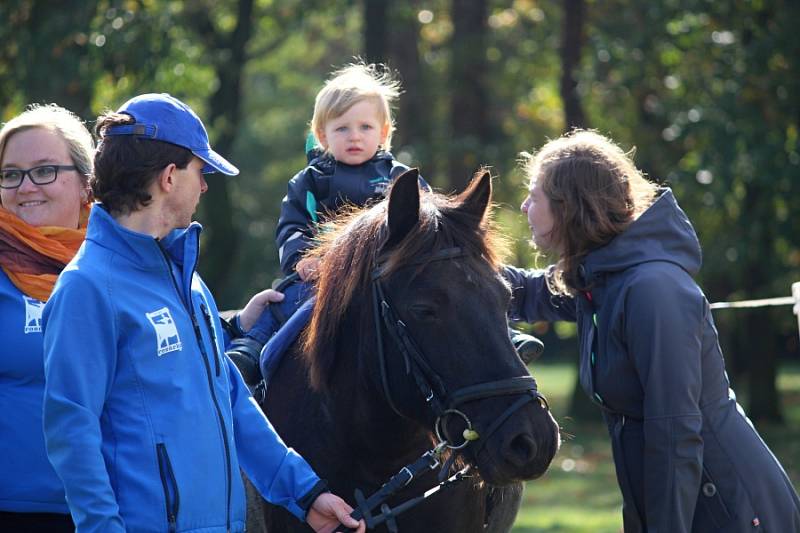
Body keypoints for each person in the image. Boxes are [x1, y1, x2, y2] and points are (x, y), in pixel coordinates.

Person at [41, 93, 364, 533]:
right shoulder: (87, 287)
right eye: (201, 171)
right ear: (170, 177)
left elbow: (232, 398)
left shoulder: (188, 281)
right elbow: (72, 432)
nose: (206, 186)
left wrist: (304, 493)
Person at [504, 129, 800, 532]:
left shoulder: (652, 291)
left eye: (533, 195)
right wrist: (443, 261)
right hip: (680, 504)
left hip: (731, 509)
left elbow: (675, 432)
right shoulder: (602, 280)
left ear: (569, 205)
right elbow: (527, 291)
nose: (523, 207)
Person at [0, 104, 94, 532]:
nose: (24, 187)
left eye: (43, 171)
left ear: (86, 184)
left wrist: (236, 330)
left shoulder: (122, 267)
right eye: (10, 174)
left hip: (111, 508)